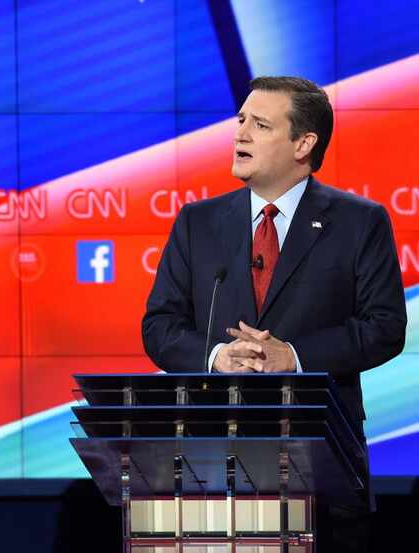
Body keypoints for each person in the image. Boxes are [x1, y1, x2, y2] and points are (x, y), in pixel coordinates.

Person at [142, 76, 406, 552]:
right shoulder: (197, 223)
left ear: (303, 143)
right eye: (241, 119)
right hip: (214, 470)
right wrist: (217, 356)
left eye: (260, 125)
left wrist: (296, 357)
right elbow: (159, 326)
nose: (239, 133)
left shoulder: (359, 222)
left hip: (323, 469)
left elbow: (385, 327)